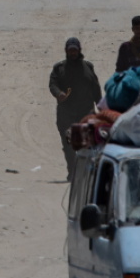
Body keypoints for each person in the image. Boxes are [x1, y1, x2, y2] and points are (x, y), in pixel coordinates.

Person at [50, 37, 102, 182]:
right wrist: (59, 93)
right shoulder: (59, 68)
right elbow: (52, 84)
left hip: (85, 111)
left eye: (75, 50)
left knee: (86, 144)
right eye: (70, 50)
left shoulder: (88, 67)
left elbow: (95, 88)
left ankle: (85, 172)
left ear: (79, 50)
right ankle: (72, 172)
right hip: (66, 113)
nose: (73, 53)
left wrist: (101, 107)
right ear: (66, 51)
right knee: (68, 145)